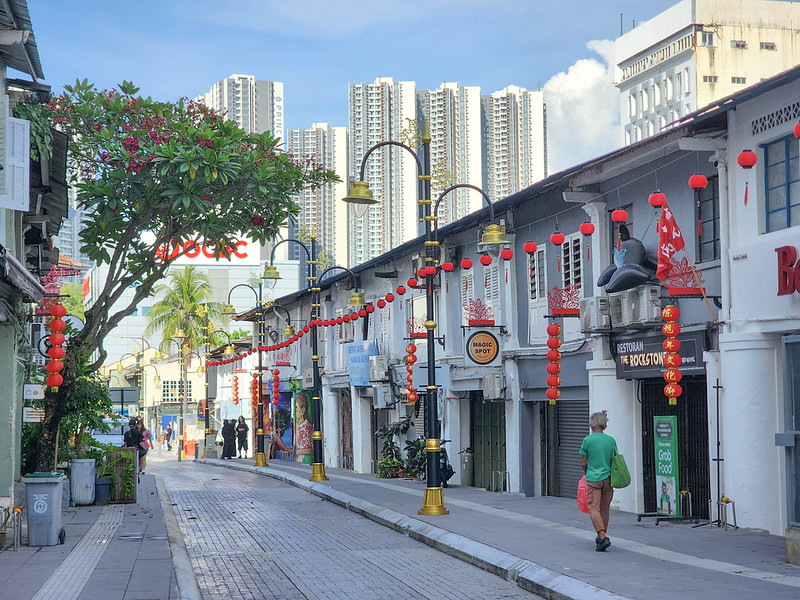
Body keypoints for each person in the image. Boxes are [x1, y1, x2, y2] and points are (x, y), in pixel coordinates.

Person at [579, 411, 616, 552]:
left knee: (593, 508)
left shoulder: (587, 440)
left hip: (593, 478)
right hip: (608, 478)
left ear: (591, 425)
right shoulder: (611, 440)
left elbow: (583, 462)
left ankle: (602, 535)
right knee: (604, 508)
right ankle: (601, 538)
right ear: (605, 426)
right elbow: (615, 459)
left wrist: (586, 472)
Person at [294, 394, 312, 463]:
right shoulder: (298, 425)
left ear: (303, 410)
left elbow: (309, 448)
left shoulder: (306, 426)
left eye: (296, 408)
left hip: (304, 458)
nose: (295, 412)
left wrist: (298, 452)